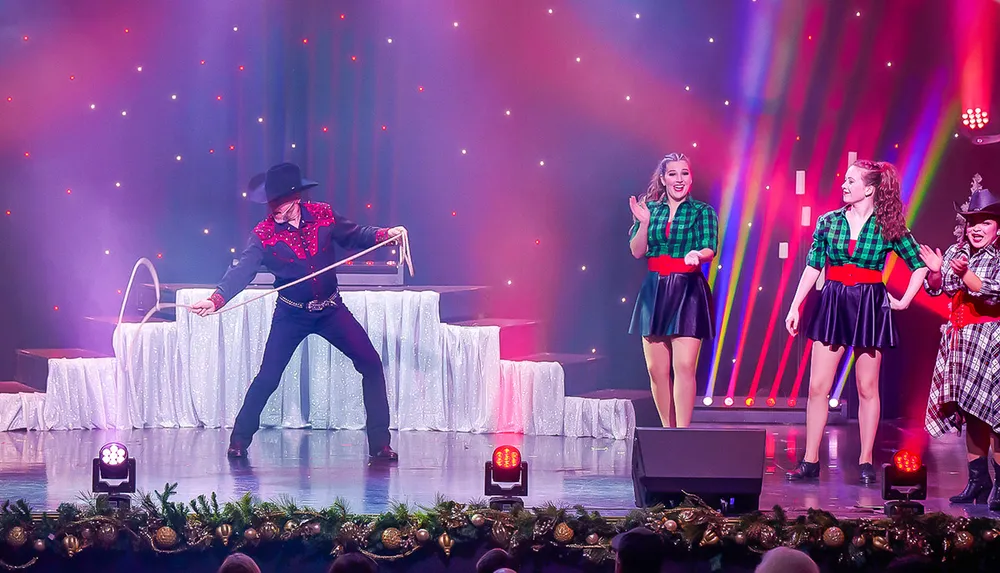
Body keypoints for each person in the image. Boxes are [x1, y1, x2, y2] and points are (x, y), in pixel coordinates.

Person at [189, 162, 404, 461]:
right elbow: (243, 270)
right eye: (270, 203)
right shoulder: (263, 233)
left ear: (296, 199)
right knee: (268, 376)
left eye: (279, 202)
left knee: (371, 364)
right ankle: (239, 440)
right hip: (291, 314)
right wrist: (216, 299)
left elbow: (355, 235)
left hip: (330, 310)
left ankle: (380, 444)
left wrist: (385, 233)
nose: (273, 208)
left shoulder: (323, 215)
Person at [784, 160, 928, 483]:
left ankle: (865, 461)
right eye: (844, 180)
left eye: (851, 181)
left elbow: (919, 265)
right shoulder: (828, 221)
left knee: (866, 387)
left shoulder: (889, 225)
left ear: (870, 188)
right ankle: (810, 461)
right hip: (834, 300)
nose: (844, 186)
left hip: (869, 304)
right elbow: (812, 266)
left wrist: (903, 301)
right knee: (818, 386)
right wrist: (795, 306)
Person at [920, 184, 1000, 509]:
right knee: (971, 413)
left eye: (985, 222)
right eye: (972, 222)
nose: (976, 229)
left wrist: (966, 274)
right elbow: (939, 289)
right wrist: (938, 274)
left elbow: (989, 291)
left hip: (991, 344)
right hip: (961, 343)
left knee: (995, 416)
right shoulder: (957, 251)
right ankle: (978, 482)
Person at [628, 153, 718, 428]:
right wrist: (643, 223)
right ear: (663, 179)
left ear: (690, 178)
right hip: (655, 290)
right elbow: (636, 251)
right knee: (657, 371)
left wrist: (697, 255)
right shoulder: (650, 210)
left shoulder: (702, 211)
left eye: (684, 173)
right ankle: (668, 431)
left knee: (684, 367)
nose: (679, 179)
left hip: (688, 289)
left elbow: (709, 248)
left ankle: (683, 434)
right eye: (673, 174)